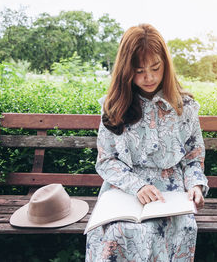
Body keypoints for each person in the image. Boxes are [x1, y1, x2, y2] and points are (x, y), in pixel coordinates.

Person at [85, 23, 209, 262]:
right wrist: (137, 186)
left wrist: (195, 186)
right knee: (119, 232)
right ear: (126, 70)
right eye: (139, 71)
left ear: (166, 65)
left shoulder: (185, 108)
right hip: (124, 191)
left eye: (155, 68)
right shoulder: (114, 107)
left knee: (180, 231)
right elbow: (106, 159)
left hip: (171, 195)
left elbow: (193, 156)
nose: (149, 77)